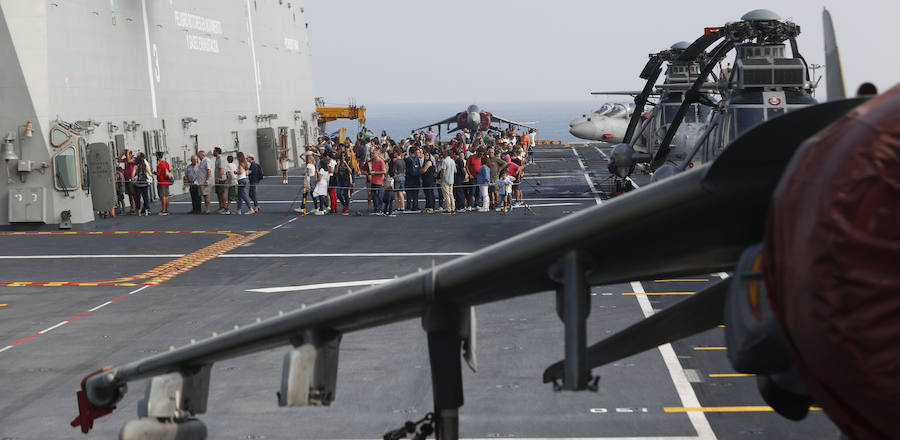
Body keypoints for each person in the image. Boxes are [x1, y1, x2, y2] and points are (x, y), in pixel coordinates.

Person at [117, 149, 137, 214]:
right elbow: (119, 160)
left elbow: (129, 161)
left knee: (133, 194)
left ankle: (136, 207)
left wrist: (128, 152)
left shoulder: (134, 159)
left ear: (130, 154)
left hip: (131, 179)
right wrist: (122, 153)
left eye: (127, 155)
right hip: (126, 179)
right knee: (129, 194)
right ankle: (132, 208)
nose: (126, 156)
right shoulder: (125, 159)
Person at [368, 151, 386, 215]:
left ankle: (380, 208)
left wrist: (375, 172)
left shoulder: (381, 161)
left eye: (373, 153)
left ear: (377, 154)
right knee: (373, 196)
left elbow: (384, 171)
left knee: (380, 196)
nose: (372, 155)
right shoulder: (371, 162)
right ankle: (376, 208)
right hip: (373, 181)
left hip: (380, 181)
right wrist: (369, 173)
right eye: (371, 153)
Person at [213, 147, 229, 214]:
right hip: (218, 179)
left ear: (217, 152)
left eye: (214, 151)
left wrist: (218, 178)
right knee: (218, 193)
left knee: (222, 193)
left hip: (221, 179)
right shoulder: (217, 159)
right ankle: (221, 206)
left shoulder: (221, 159)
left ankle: (224, 207)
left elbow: (222, 169)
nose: (213, 152)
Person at [405, 146, 421, 211]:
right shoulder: (417, 159)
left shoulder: (407, 159)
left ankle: (408, 206)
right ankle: (415, 205)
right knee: (415, 194)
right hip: (416, 178)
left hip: (409, 178)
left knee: (409, 194)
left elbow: (406, 169)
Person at [420, 148, 436, 213]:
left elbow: (423, 170)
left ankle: (431, 207)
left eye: (427, 155)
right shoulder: (425, 162)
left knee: (430, 193)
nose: (426, 156)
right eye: (425, 155)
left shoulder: (429, 162)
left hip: (429, 180)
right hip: (425, 179)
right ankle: (427, 207)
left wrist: (420, 170)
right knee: (426, 194)